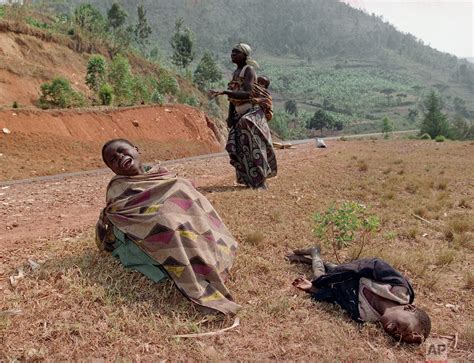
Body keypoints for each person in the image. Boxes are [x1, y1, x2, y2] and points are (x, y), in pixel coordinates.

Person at [96, 139, 240, 315]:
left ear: (136, 149)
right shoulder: (117, 188)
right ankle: (192, 279)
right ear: (112, 169)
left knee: (179, 214)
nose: (119, 157)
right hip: (142, 237)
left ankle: (206, 258)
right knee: (168, 225)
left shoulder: (166, 176)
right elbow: (118, 217)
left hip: (186, 229)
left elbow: (193, 204)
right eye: (112, 159)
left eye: (122, 150)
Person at [288, 247, 431, 344]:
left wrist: (313, 289)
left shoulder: (363, 316)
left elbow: (337, 299)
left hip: (339, 283)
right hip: (351, 271)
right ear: (410, 308)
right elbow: (376, 264)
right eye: (405, 328)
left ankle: (314, 254)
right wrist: (338, 274)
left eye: (397, 336)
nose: (397, 332)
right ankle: (316, 260)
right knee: (330, 272)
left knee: (319, 274)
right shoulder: (399, 288)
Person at [209, 43, 277, 190]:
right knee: (239, 148)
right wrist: (230, 116)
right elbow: (234, 99)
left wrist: (224, 92)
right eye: (232, 52)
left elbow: (247, 93)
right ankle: (249, 180)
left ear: (245, 55)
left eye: (236, 52)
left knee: (254, 148)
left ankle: (261, 181)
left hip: (251, 114)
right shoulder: (235, 73)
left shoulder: (249, 70)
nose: (232, 54)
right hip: (239, 113)